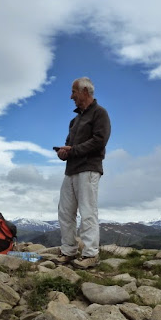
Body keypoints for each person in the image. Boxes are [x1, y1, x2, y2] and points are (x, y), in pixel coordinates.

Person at [54, 77, 111, 269]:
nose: (71, 96)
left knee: (87, 211)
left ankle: (90, 254)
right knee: (65, 212)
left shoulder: (100, 113)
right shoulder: (75, 119)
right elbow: (70, 144)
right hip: (71, 170)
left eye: (74, 92)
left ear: (85, 92)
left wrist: (73, 150)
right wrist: (64, 153)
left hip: (89, 168)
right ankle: (68, 250)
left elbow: (99, 140)